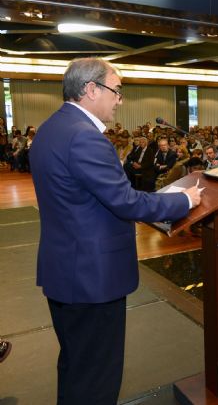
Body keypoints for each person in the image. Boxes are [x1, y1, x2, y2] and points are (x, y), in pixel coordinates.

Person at [29, 57, 201, 404]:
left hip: (65, 269)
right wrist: (184, 200)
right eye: (116, 90)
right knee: (98, 379)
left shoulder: (50, 129)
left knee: (77, 366)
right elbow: (127, 202)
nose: (119, 100)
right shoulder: (85, 138)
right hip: (93, 278)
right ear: (90, 89)